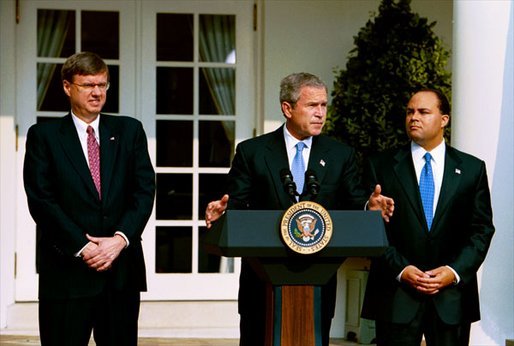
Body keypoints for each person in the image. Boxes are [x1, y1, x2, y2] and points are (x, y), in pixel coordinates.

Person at [205, 72, 394, 346]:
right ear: (287, 108)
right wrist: (223, 212)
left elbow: (353, 202)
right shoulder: (252, 152)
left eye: (324, 105)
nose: (320, 113)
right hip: (262, 281)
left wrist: (369, 206)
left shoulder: (341, 154)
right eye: (312, 105)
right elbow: (236, 201)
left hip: (317, 278)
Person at [23, 51, 155, 346]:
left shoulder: (129, 131)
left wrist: (119, 240)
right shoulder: (44, 136)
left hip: (120, 272)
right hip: (67, 274)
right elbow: (42, 201)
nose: (97, 92)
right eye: (88, 85)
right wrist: (85, 248)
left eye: (103, 84)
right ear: (68, 87)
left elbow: (144, 191)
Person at [360, 89, 495, 346]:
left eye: (423, 112)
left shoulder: (471, 169)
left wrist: (453, 272)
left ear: (444, 119)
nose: (414, 117)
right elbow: (374, 230)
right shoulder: (381, 165)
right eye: (410, 111)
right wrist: (401, 269)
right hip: (395, 296)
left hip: (451, 300)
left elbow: (481, 229)